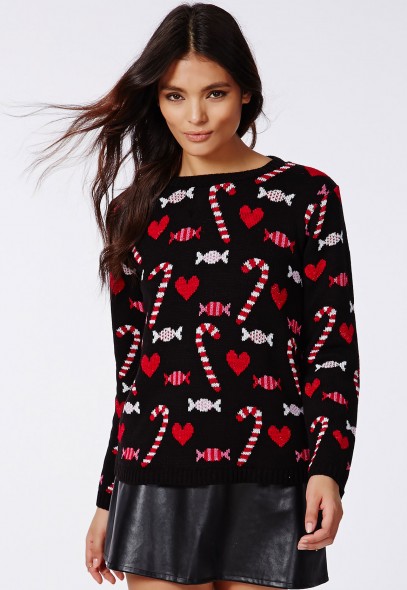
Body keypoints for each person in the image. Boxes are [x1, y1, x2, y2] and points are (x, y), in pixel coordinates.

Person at [30, 3, 360, 589]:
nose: (196, 116)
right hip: (155, 476)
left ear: (247, 93)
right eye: (175, 96)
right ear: (156, 100)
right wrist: (108, 497)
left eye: (216, 93)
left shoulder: (306, 195)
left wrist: (329, 467)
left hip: (272, 472)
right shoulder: (134, 212)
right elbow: (133, 373)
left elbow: (332, 347)